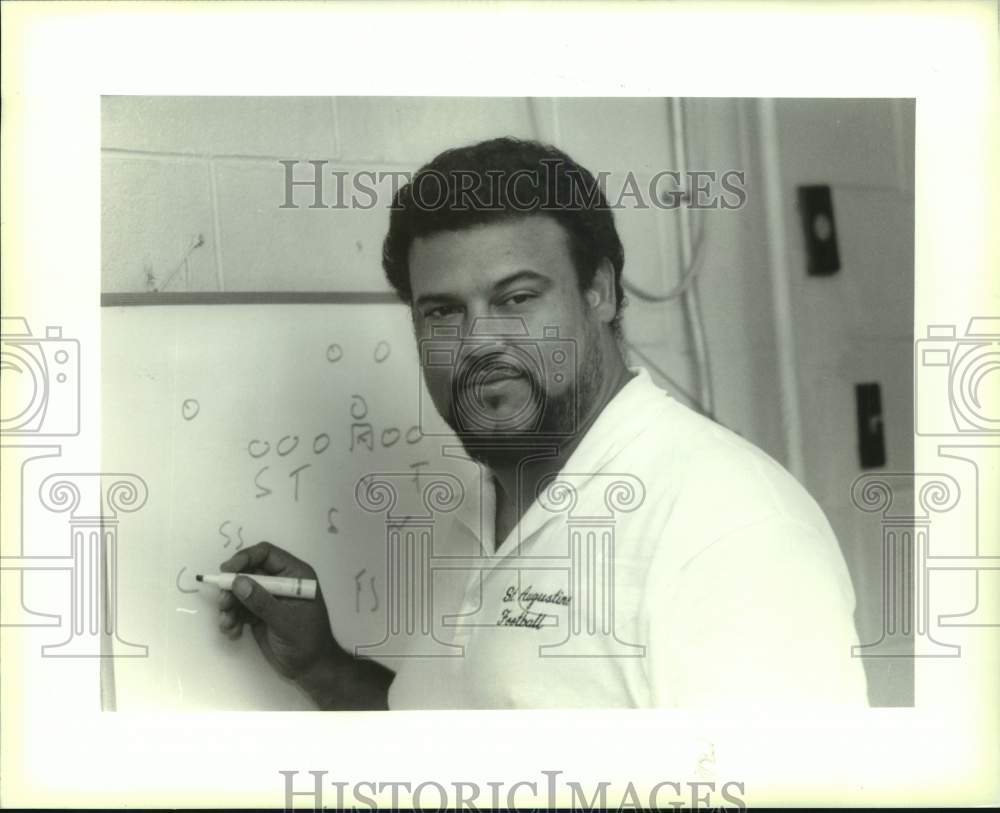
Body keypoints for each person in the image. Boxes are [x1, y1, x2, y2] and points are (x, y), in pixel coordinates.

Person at [216, 137, 868, 709]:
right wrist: (323, 667)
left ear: (601, 292)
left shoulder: (730, 530)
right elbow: (453, 747)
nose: (479, 343)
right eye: (442, 312)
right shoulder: (478, 512)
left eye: (517, 298)